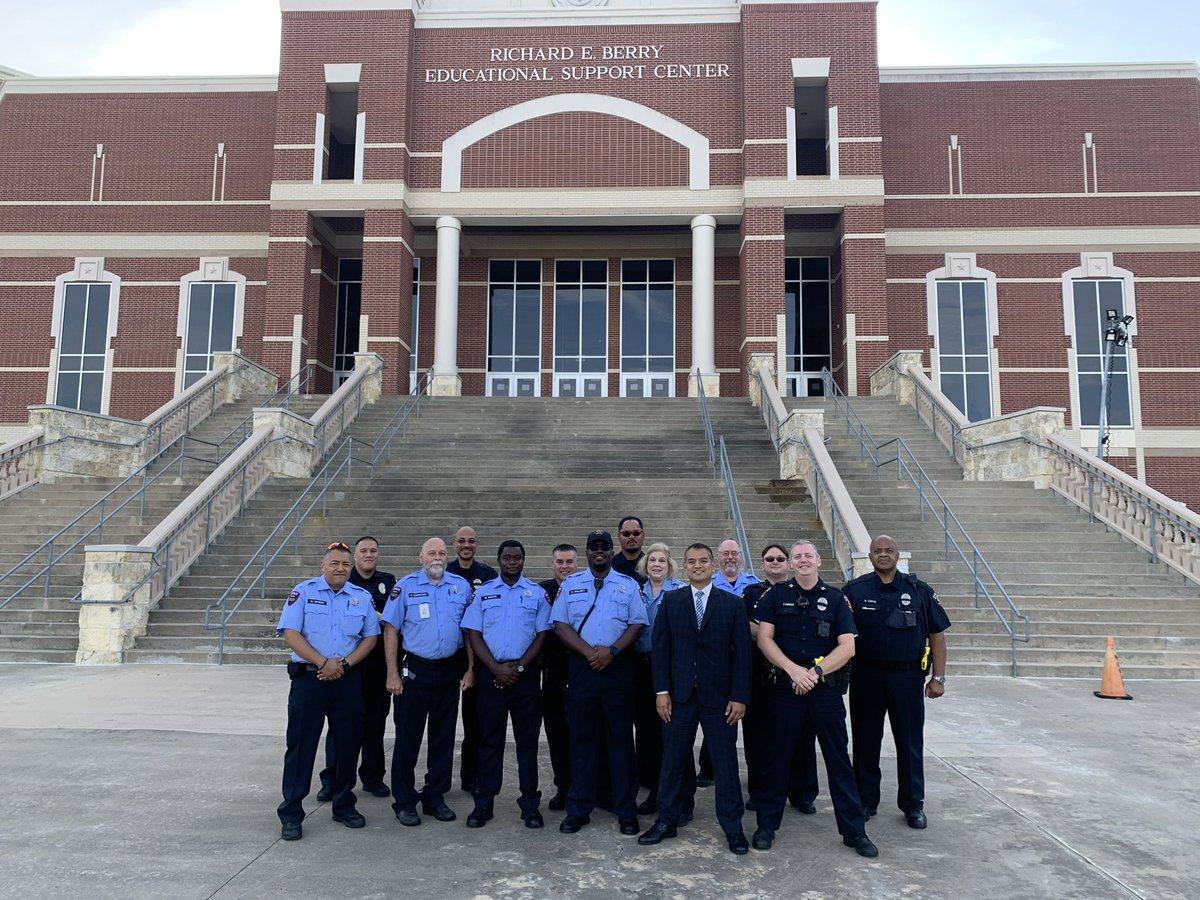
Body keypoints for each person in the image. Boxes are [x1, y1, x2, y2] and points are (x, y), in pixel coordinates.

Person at [750, 541, 878, 858]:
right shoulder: (776, 596)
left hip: (825, 691)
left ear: (818, 561)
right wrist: (794, 670)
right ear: (791, 564)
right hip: (785, 687)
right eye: (798, 557)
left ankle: (854, 832)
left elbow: (848, 647)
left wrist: (814, 673)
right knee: (776, 759)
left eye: (809, 555)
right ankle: (766, 825)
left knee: (839, 762)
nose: (803, 560)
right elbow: (764, 638)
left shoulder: (836, 599)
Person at [638, 543, 752, 855]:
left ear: (713, 565)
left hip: (720, 699)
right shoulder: (671, 601)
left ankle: (732, 826)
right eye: (691, 562)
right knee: (673, 760)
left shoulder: (731, 604)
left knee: (725, 763)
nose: (697, 566)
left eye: (703, 561)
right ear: (684, 567)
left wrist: (740, 696)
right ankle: (668, 819)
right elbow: (661, 650)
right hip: (679, 696)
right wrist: (662, 691)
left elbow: (743, 655)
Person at [843, 534, 951, 830]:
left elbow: (937, 635)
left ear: (897, 554)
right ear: (870, 555)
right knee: (866, 741)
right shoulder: (854, 591)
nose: (883, 555)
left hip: (907, 677)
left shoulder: (919, 591)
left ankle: (913, 804)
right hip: (867, 676)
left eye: (888, 550)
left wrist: (938, 677)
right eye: (877, 551)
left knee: (910, 742)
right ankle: (866, 801)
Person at [276, 541, 380, 841]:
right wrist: (323, 662)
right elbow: (291, 635)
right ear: (323, 566)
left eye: (346, 565)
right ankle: (292, 812)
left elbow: (370, 638)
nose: (340, 569)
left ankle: (344, 804)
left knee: (348, 745)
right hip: (310, 680)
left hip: (346, 680)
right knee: (301, 746)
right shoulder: (304, 592)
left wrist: (344, 665)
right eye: (334, 563)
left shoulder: (361, 597)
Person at [551, 529, 648, 836]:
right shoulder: (572, 584)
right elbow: (560, 623)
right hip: (582, 669)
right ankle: (579, 808)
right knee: (582, 740)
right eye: (594, 547)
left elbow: (638, 623)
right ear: (588, 552)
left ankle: (625, 809)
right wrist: (589, 653)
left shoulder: (628, 584)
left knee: (620, 741)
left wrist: (613, 651)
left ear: (610, 551)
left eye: (604, 546)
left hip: (617, 669)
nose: (599, 551)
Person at [382, 537, 473, 827]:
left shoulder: (460, 587)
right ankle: (405, 801)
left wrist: (470, 668)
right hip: (415, 671)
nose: (437, 557)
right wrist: (392, 673)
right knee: (408, 738)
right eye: (431, 553)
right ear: (420, 556)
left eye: (442, 553)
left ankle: (435, 796)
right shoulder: (405, 587)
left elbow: (470, 631)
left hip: (448, 671)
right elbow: (391, 631)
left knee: (443, 738)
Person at [461, 540, 553, 828]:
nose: (512, 562)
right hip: (492, 677)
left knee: (527, 744)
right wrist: (494, 668)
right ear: (499, 560)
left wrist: (521, 667)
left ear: (523, 560)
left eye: (517, 558)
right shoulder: (484, 593)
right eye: (507, 558)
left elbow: (542, 635)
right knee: (489, 742)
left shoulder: (536, 594)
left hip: (525, 678)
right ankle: (483, 804)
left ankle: (530, 805)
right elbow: (474, 633)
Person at [317, 535, 397, 802]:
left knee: (375, 725)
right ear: (355, 557)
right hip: (346, 667)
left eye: (374, 550)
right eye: (363, 550)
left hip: (376, 666)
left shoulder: (388, 582)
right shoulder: (343, 581)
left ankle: (372, 777)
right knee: (340, 727)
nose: (369, 555)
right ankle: (332, 779)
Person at [742, 543, 816, 813]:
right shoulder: (750, 594)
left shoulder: (805, 592)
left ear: (789, 564)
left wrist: (769, 633)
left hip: (798, 676)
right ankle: (759, 790)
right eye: (769, 558)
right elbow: (745, 626)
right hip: (759, 676)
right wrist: (774, 634)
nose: (775, 562)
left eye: (780, 558)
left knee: (801, 736)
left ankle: (802, 793)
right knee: (758, 736)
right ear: (762, 564)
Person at [697, 539, 760, 786]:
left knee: (746, 720)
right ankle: (708, 767)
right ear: (718, 559)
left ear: (741, 557)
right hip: (716, 659)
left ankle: (753, 772)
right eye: (726, 554)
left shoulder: (754, 585)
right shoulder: (707, 585)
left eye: (735, 553)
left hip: (746, 658)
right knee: (716, 718)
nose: (730, 558)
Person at [632, 542, 685, 814]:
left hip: (669, 667)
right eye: (652, 560)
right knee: (645, 728)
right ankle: (650, 781)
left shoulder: (679, 592)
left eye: (661, 561)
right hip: (640, 666)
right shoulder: (635, 592)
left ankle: (668, 788)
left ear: (669, 565)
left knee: (668, 728)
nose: (656, 565)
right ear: (645, 565)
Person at [447, 525, 499, 795]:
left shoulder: (488, 575)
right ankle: (441, 778)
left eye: (470, 541)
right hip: (448, 653)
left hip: (476, 654)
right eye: (461, 541)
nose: (466, 545)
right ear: (454, 544)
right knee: (443, 722)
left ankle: (472, 776)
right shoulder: (444, 573)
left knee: (474, 720)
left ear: (477, 544)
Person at [538, 543, 578, 811]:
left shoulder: (587, 588)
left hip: (581, 670)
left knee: (583, 734)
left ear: (577, 564)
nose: (564, 567)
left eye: (569, 562)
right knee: (556, 734)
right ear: (552, 564)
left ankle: (587, 786)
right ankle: (563, 787)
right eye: (559, 562)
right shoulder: (541, 592)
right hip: (552, 674)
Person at [610, 515, 647, 585]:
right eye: (626, 534)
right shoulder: (610, 566)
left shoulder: (651, 565)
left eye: (636, 533)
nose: (631, 537)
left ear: (643, 536)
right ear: (619, 537)